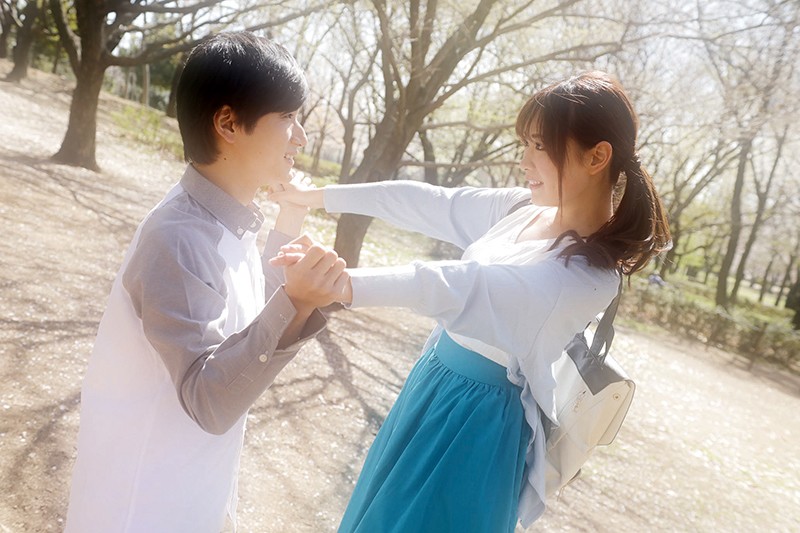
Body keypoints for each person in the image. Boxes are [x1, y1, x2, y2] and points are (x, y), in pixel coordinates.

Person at [271, 71, 671, 532]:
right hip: (432, 385)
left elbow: (462, 287)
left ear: (597, 156)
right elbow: (427, 202)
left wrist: (341, 284)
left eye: (540, 146)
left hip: (473, 422)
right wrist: (314, 196)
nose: (524, 160)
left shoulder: (588, 275)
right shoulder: (524, 209)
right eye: (526, 143)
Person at [64, 32, 348, 532]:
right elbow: (208, 399)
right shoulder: (178, 237)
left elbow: (246, 322)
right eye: (287, 117)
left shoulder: (223, 221)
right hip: (141, 507)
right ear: (227, 123)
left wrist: (290, 221)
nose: (301, 137)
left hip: (189, 490)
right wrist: (297, 303)